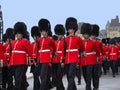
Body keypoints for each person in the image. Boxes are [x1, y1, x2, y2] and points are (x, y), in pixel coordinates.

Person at [65, 17, 85, 90]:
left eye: (70, 29)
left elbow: (82, 48)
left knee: (71, 74)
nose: (69, 30)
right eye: (68, 29)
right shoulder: (66, 39)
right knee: (68, 75)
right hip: (67, 59)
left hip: (74, 58)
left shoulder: (78, 38)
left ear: (74, 29)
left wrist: (83, 54)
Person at [9, 22, 31, 90]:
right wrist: (10, 62)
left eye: (19, 33)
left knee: (18, 77)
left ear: (22, 34)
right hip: (13, 62)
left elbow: (29, 52)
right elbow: (12, 53)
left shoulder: (26, 42)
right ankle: (23, 87)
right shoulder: (13, 42)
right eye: (17, 33)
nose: (18, 35)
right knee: (14, 76)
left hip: (21, 62)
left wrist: (30, 61)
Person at [80, 23, 100, 90]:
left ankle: (88, 88)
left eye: (85, 34)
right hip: (83, 61)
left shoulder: (93, 42)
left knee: (89, 75)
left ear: (88, 34)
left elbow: (97, 51)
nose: (84, 35)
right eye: (83, 34)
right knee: (85, 75)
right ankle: (88, 86)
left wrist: (97, 57)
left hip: (91, 61)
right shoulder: (81, 42)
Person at [38, 18, 56, 90]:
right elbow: (38, 49)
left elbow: (54, 48)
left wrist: (51, 56)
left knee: (43, 75)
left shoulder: (50, 40)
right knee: (43, 75)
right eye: (42, 31)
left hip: (46, 59)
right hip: (40, 59)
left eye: (44, 31)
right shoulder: (39, 40)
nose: (43, 33)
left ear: (47, 31)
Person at [52, 24, 65, 90]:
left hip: (61, 60)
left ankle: (60, 88)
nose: (59, 36)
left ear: (62, 34)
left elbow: (64, 52)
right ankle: (61, 88)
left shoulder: (65, 42)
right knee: (56, 76)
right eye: (58, 34)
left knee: (59, 76)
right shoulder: (55, 42)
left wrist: (63, 61)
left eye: (60, 34)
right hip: (54, 60)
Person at [91, 24, 102, 90]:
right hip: (90, 59)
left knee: (95, 74)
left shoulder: (99, 42)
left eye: (94, 35)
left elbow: (101, 50)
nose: (93, 36)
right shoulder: (88, 41)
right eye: (92, 35)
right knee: (91, 74)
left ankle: (96, 86)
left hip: (96, 59)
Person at [30, 26, 41, 90]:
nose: (34, 38)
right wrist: (32, 61)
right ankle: (37, 87)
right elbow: (31, 53)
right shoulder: (32, 44)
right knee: (35, 76)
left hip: (39, 61)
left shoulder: (40, 43)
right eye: (33, 37)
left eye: (36, 36)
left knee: (39, 75)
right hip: (34, 62)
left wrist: (37, 61)